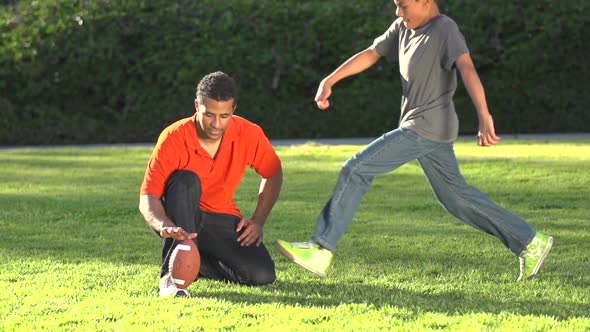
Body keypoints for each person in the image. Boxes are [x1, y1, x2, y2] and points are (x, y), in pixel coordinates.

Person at [275, 0, 552, 281]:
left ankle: (321, 248)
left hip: (425, 127)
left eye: (403, 6)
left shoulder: (445, 28)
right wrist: (330, 79)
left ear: (426, 2)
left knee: (356, 168)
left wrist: (484, 114)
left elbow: (467, 68)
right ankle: (530, 241)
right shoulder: (402, 27)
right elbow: (372, 52)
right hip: (429, 130)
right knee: (456, 199)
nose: (398, 12)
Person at [139, 71, 283, 297]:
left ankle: (197, 263)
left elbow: (273, 172)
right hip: (181, 213)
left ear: (233, 110)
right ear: (197, 105)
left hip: (220, 217)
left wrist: (258, 220)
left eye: (224, 116)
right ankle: (171, 278)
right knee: (185, 180)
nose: (216, 124)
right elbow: (148, 198)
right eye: (209, 115)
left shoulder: (249, 133)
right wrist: (164, 224)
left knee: (262, 275)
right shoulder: (173, 138)